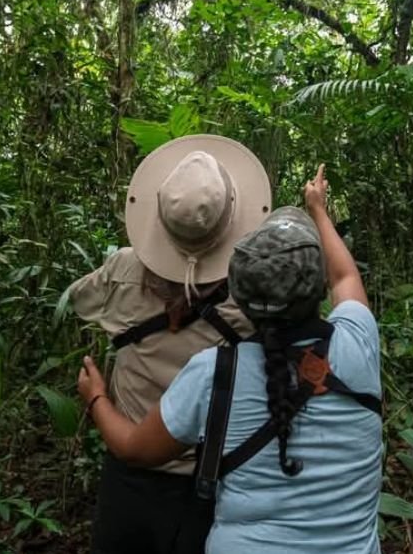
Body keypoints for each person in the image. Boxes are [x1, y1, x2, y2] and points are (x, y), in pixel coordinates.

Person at [78, 165, 383, 553]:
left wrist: (95, 396)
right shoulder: (358, 344)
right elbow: (345, 280)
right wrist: (318, 209)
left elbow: (136, 448)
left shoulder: (215, 370)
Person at [66, 134, 272, 554]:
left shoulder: (123, 270)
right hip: (217, 478)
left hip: (129, 474)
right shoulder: (252, 292)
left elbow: (78, 301)